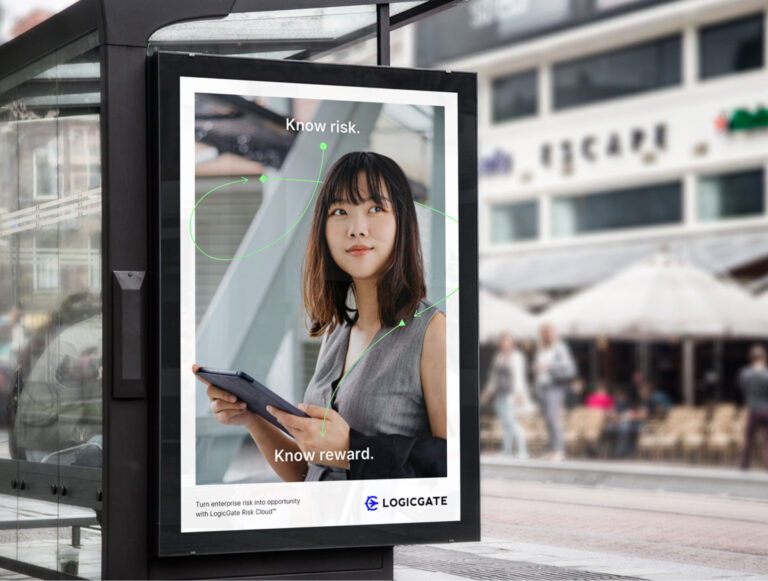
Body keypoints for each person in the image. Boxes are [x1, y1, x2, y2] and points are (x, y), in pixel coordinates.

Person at [197, 151, 447, 481]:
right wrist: (251, 418)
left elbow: (450, 465)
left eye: (375, 208)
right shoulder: (338, 332)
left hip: (384, 530)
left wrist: (350, 449)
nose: (357, 229)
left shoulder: (432, 331)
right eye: (340, 211)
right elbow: (310, 472)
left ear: (403, 221)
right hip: (320, 524)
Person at [481, 332, 532, 458]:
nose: (504, 343)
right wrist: (487, 392)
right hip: (499, 393)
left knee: (512, 422)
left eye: (507, 341)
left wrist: (519, 394)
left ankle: (522, 450)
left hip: (511, 394)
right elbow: (493, 377)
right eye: (502, 341)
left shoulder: (517, 357)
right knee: (505, 423)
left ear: (512, 343)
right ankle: (507, 450)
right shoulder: (498, 357)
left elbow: (519, 377)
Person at [534, 322, 576, 461]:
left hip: (555, 386)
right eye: (544, 331)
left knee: (553, 418)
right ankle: (551, 449)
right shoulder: (541, 349)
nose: (546, 334)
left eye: (549, 331)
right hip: (542, 386)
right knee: (547, 420)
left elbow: (567, 366)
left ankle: (559, 450)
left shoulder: (560, 347)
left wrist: (548, 366)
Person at [738, 344, 768, 470]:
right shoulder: (766, 374)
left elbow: (743, 389)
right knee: (767, 442)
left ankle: (744, 465)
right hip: (766, 409)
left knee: (748, 439)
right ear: (763, 358)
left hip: (752, 409)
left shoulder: (745, 374)